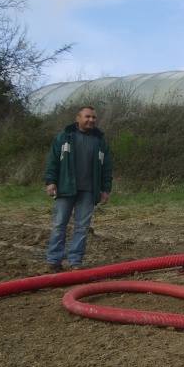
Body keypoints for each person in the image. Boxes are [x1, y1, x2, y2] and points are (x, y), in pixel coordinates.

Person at [44, 106, 113, 271]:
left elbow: (107, 168)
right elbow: (53, 161)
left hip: (89, 191)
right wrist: (51, 182)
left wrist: (105, 189)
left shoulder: (101, 142)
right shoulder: (64, 138)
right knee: (60, 224)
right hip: (66, 188)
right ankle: (54, 260)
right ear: (78, 118)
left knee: (82, 226)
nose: (91, 120)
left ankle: (75, 261)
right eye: (87, 117)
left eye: (94, 117)